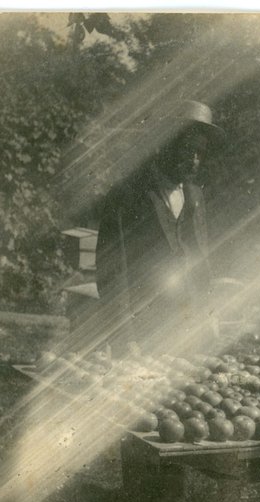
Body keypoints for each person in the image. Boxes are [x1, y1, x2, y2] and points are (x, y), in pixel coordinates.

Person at [94, 100, 223, 354]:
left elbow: (200, 261)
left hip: (188, 325)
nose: (194, 161)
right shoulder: (128, 195)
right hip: (143, 328)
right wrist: (125, 336)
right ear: (165, 146)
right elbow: (112, 272)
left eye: (200, 153)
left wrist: (210, 315)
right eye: (187, 150)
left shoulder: (195, 196)